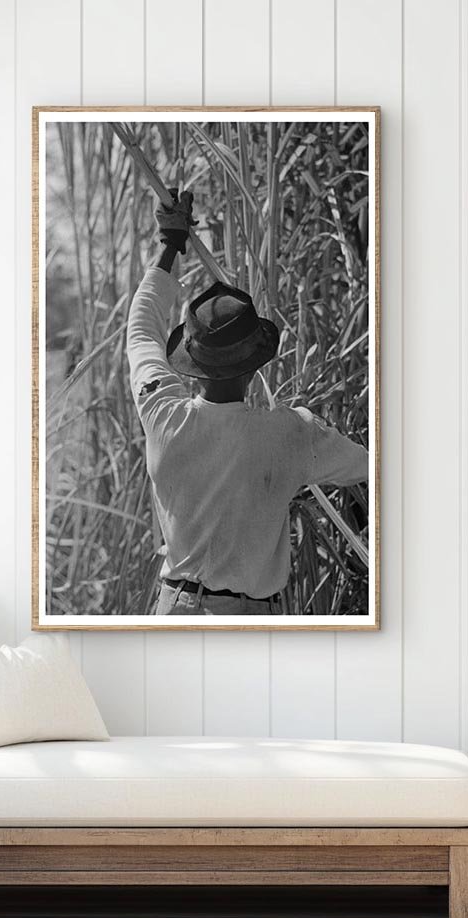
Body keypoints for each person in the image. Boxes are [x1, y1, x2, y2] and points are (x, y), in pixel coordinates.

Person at [126, 188, 369, 615]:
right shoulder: (293, 433)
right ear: (255, 362)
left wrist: (170, 243)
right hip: (248, 619)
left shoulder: (161, 411)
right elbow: (369, 466)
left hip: (176, 611)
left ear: (191, 358)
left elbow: (142, 328)